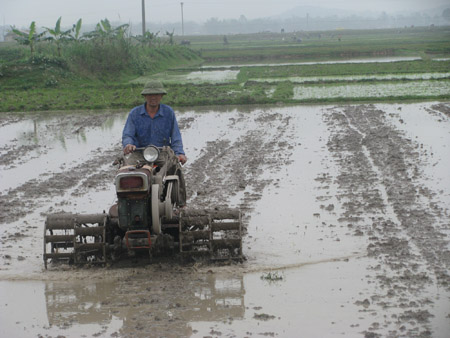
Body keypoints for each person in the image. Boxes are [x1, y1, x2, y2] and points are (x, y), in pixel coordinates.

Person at [122, 80, 187, 165]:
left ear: (161, 96)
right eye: (150, 94)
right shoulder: (135, 113)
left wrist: (180, 153)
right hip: (139, 154)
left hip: (163, 154)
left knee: (175, 171)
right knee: (126, 173)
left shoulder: (168, 112)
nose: (153, 97)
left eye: (156, 94)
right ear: (145, 96)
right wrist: (128, 144)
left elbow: (176, 136)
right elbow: (128, 134)